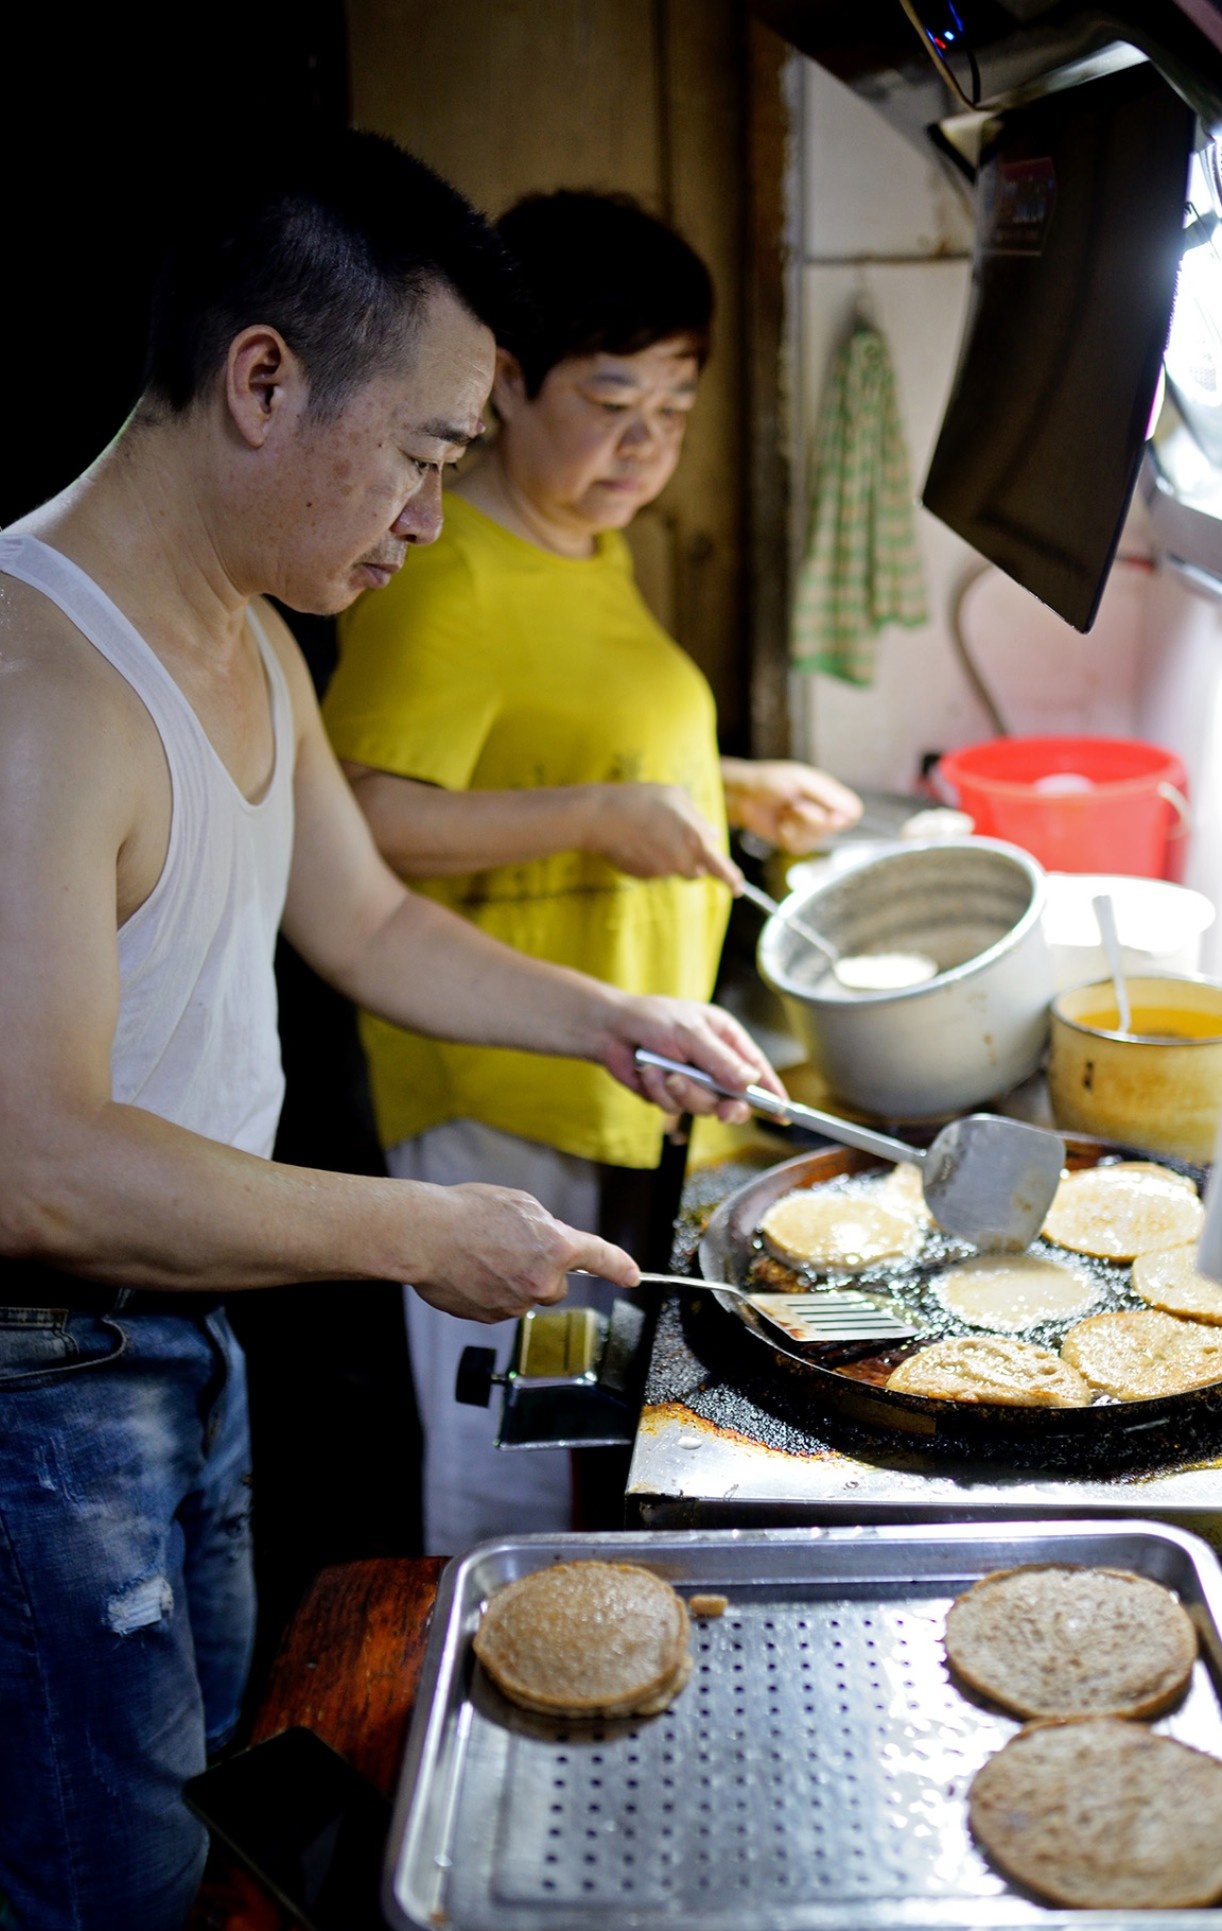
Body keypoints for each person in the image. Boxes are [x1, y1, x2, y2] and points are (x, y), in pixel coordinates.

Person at [0, 137, 781, 1931]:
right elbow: (36, 1163)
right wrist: (424, 1232)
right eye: (425, 454)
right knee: (102, 1872)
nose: (434, 515)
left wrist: (615, 1021)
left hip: (173, 1334)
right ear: (263, 379)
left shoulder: (251, 630)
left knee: (194, 1805)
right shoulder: (41, 684)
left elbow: (362, 921)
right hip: (50, 1379)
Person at [322, 190, 861, 1553]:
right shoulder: (446, 580)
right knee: (500, 1447)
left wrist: (718, 790)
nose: (646, 446)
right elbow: (356, 820)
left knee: (569, 1407)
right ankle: (480, 1673)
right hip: (497, 1079)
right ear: (505, 380)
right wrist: (595, 814)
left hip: (602, 1063)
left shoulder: (581, 538)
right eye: (614, 400)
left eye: (674, 409)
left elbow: (552, 733)